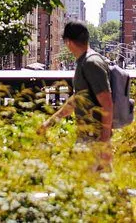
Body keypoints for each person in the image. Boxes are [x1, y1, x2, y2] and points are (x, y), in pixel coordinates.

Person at [37, 21, 113, 170]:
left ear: (68, 42)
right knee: (94, 186)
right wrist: (50, 122)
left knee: (83, 184)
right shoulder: (84, 62)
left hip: (94, 137)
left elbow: (108, 103)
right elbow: (76, 100)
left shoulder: (91, 63)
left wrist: (104, 141)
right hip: (88, 136)